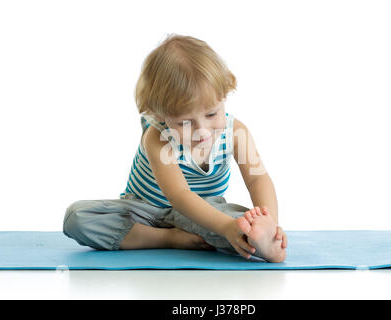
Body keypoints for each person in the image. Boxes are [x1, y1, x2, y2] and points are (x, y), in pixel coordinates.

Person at [63, 34, 288, 262]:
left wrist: (269, 221)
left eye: (211, 114)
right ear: (159, 114)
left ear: (225, 94)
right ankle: (169, 239)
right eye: (184, 123)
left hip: (204, 213)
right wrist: (225, 227)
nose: (202, 130)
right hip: (144, 213)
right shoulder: (157, 137)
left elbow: (258, 179)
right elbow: (179, 196)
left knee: (242, 223)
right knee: (77, 217)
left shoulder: (236, 133)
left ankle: (260, 240)